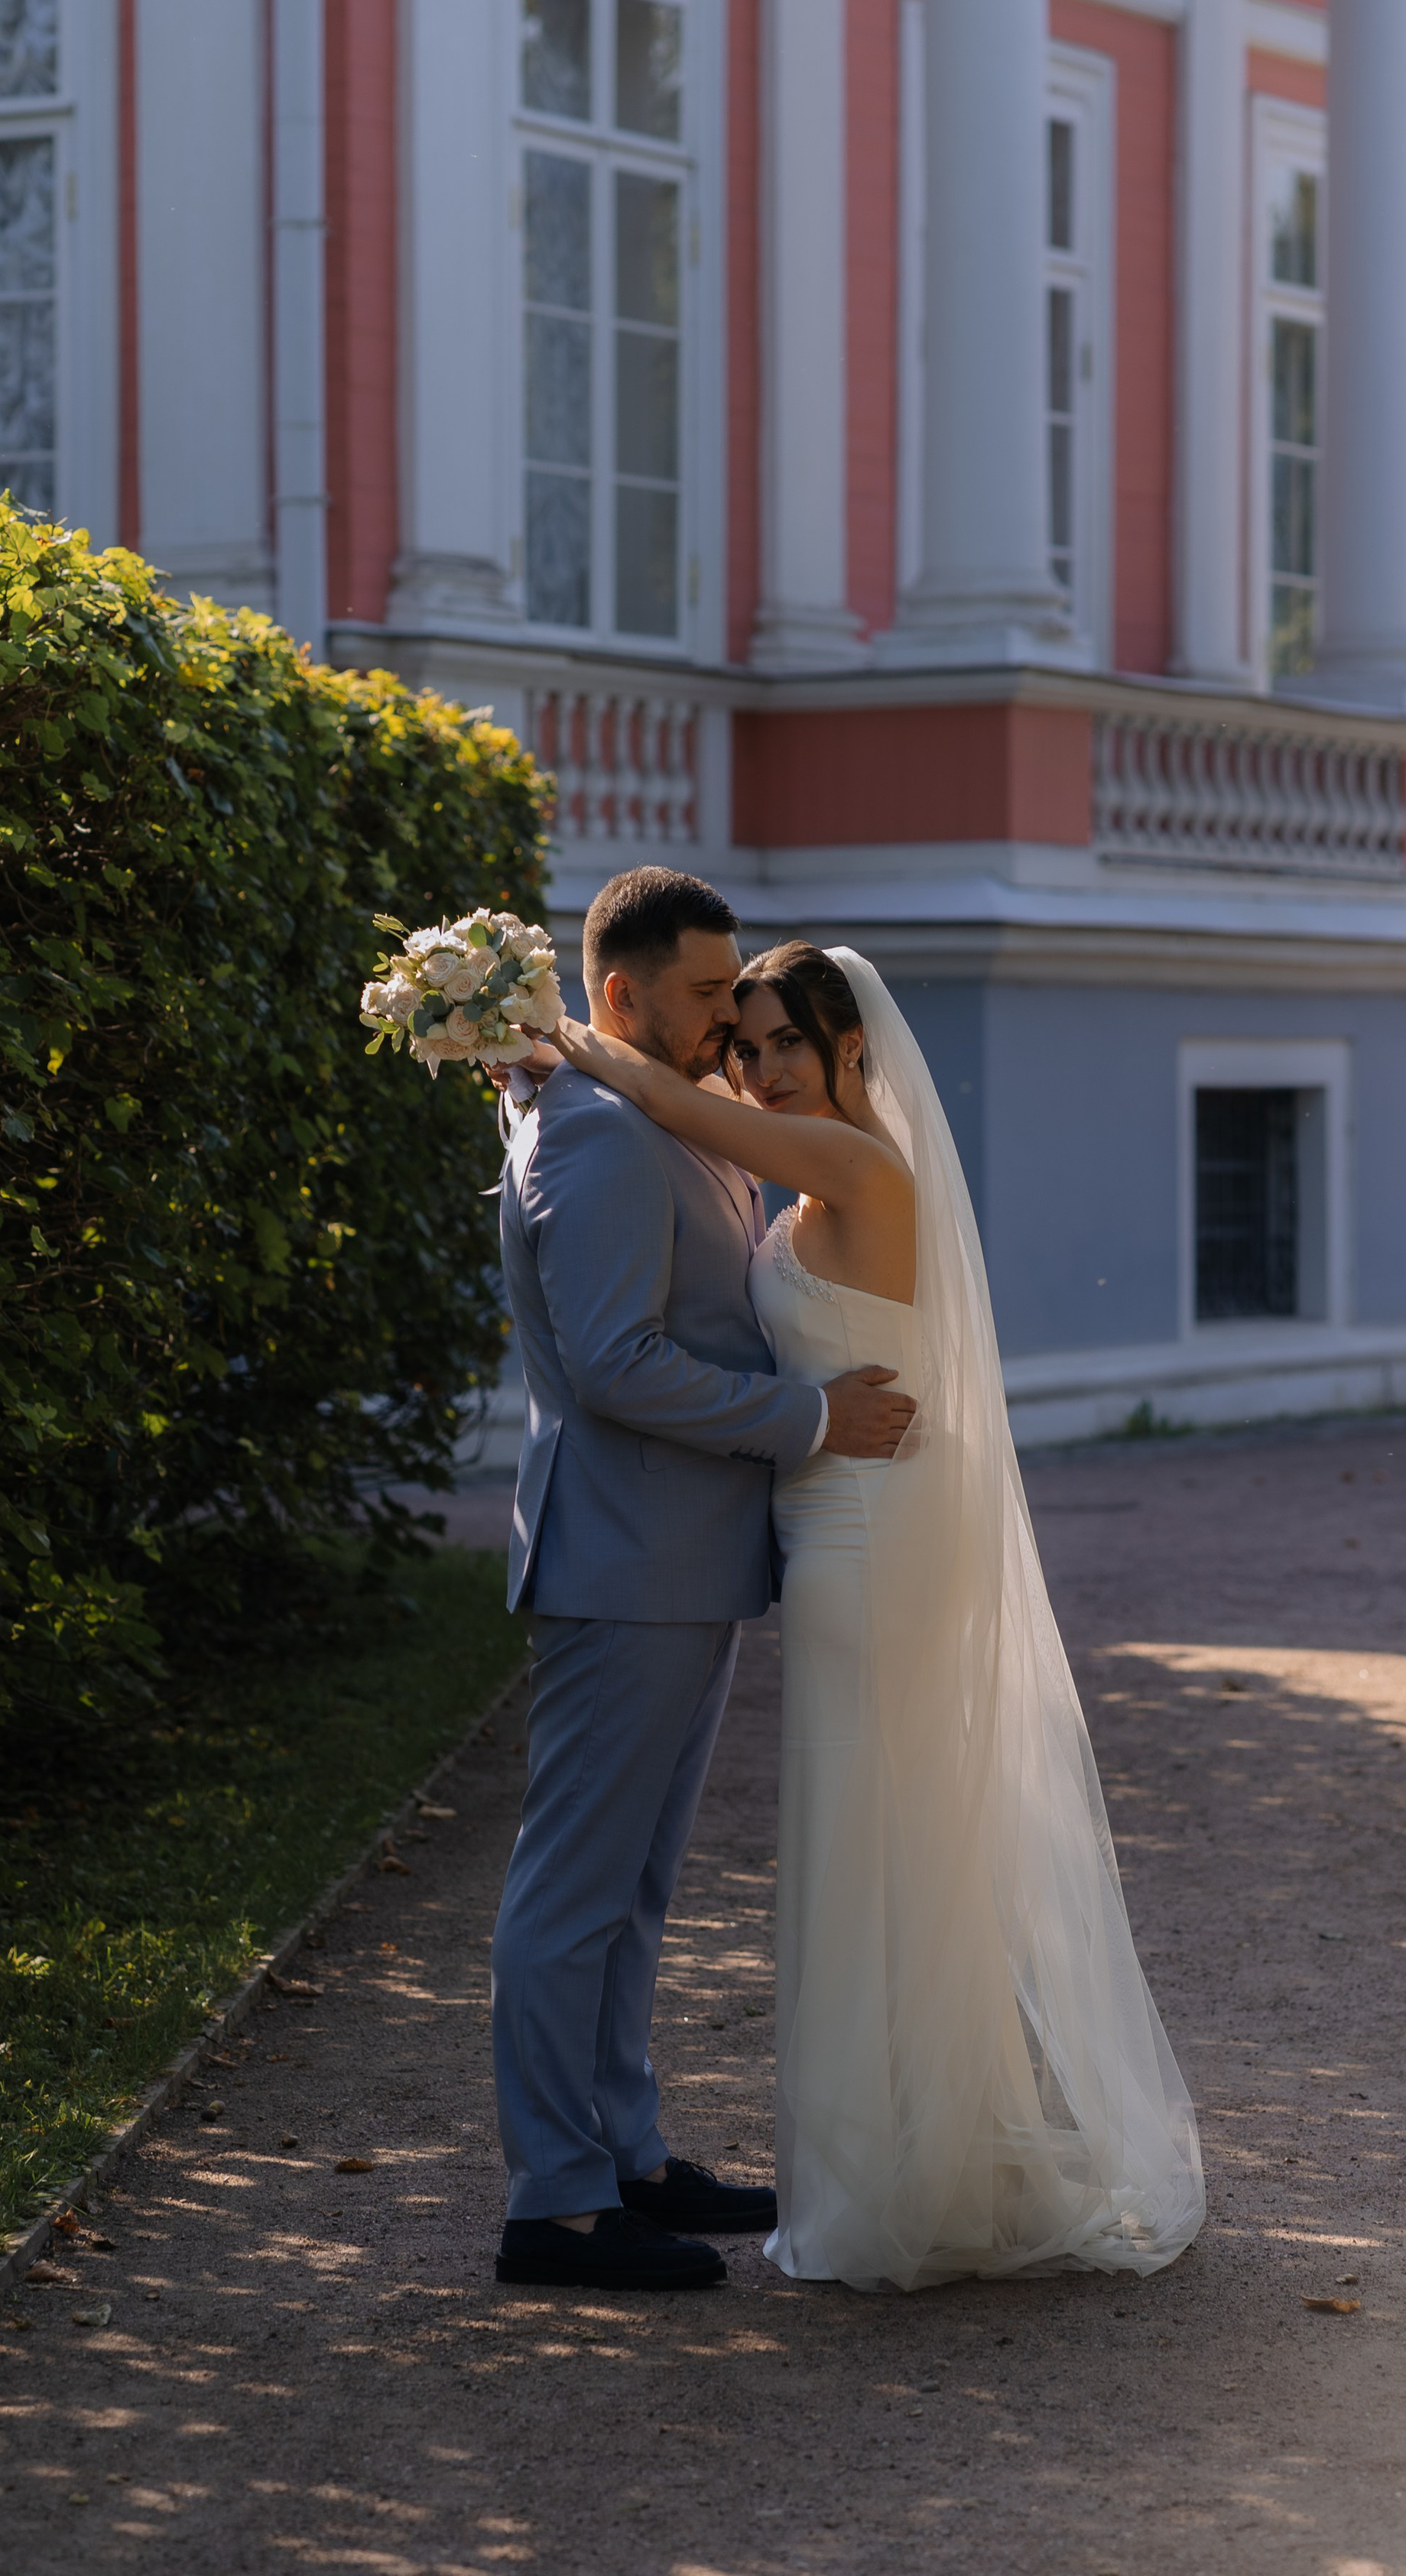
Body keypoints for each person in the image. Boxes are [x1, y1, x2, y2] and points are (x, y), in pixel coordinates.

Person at [551, 940, 1206, 2292]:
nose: (761, 1066)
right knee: (879, 1849)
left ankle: (904, 2184)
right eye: (747, 1044)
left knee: (878, 1847)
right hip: (830, 1533)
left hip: (870, 1544)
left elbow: (671, 1108)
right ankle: (917, 2155)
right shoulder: (794, 1183)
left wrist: (546, 1032)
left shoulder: (859, 1167)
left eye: (788, 1040)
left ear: (854, 1049)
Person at [489, 870, 917, 2294]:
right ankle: (556, 2203)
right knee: (574, 1891)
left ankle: (626, 2155)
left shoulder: (643, 1111)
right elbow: (616, 1365)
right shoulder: (604, 1137)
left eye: (739, 998)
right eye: (700, 998)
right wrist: (807, 1422)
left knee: (636, 1889)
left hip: (676, 1555)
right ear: (616, 994)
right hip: (627, 1556)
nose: (729, 1026)